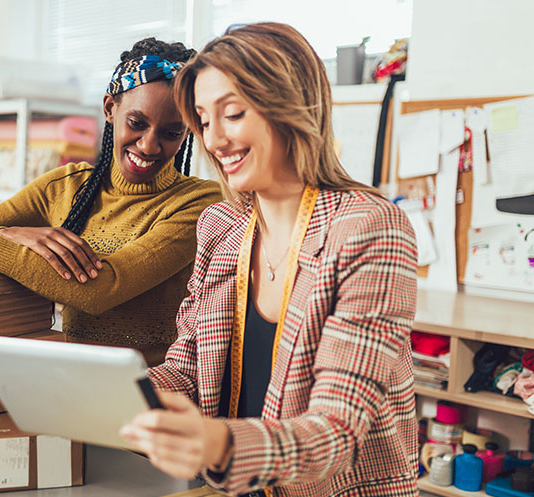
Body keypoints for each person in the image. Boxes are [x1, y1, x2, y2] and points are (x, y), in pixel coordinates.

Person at [120, 23, 419, 497]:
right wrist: (119, 394)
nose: (215, 140)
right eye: (203, 119)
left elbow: (335, 432)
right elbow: (188, 371)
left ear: (291, 107)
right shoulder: (221, 227)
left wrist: (217, 444)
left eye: (232, 113)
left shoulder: (368, 228)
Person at [0, 38, 222, 366]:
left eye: (171, 132)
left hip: (153, 393)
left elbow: (101, 289)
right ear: (110, 109)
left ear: (188, 131)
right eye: (137, 123)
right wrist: (8, 233)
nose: (149, 146)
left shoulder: (198, 203)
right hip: (68, 382)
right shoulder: (66, 185)